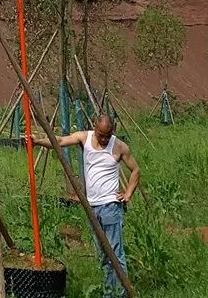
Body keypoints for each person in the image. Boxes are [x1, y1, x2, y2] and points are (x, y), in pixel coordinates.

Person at [32, 113, 140, 296]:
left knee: (115, 253)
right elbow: (59, 140)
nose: (105, 139)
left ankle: (121, 293)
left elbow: (135, 169)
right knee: (103, 255)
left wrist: (128, 194)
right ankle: (109, 292)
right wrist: (38, 142)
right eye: (101, 135)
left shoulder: (119, 146)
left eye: (108, 135)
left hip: (111, 207)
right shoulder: (85, 138)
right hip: (92, 208)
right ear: (95, 127)